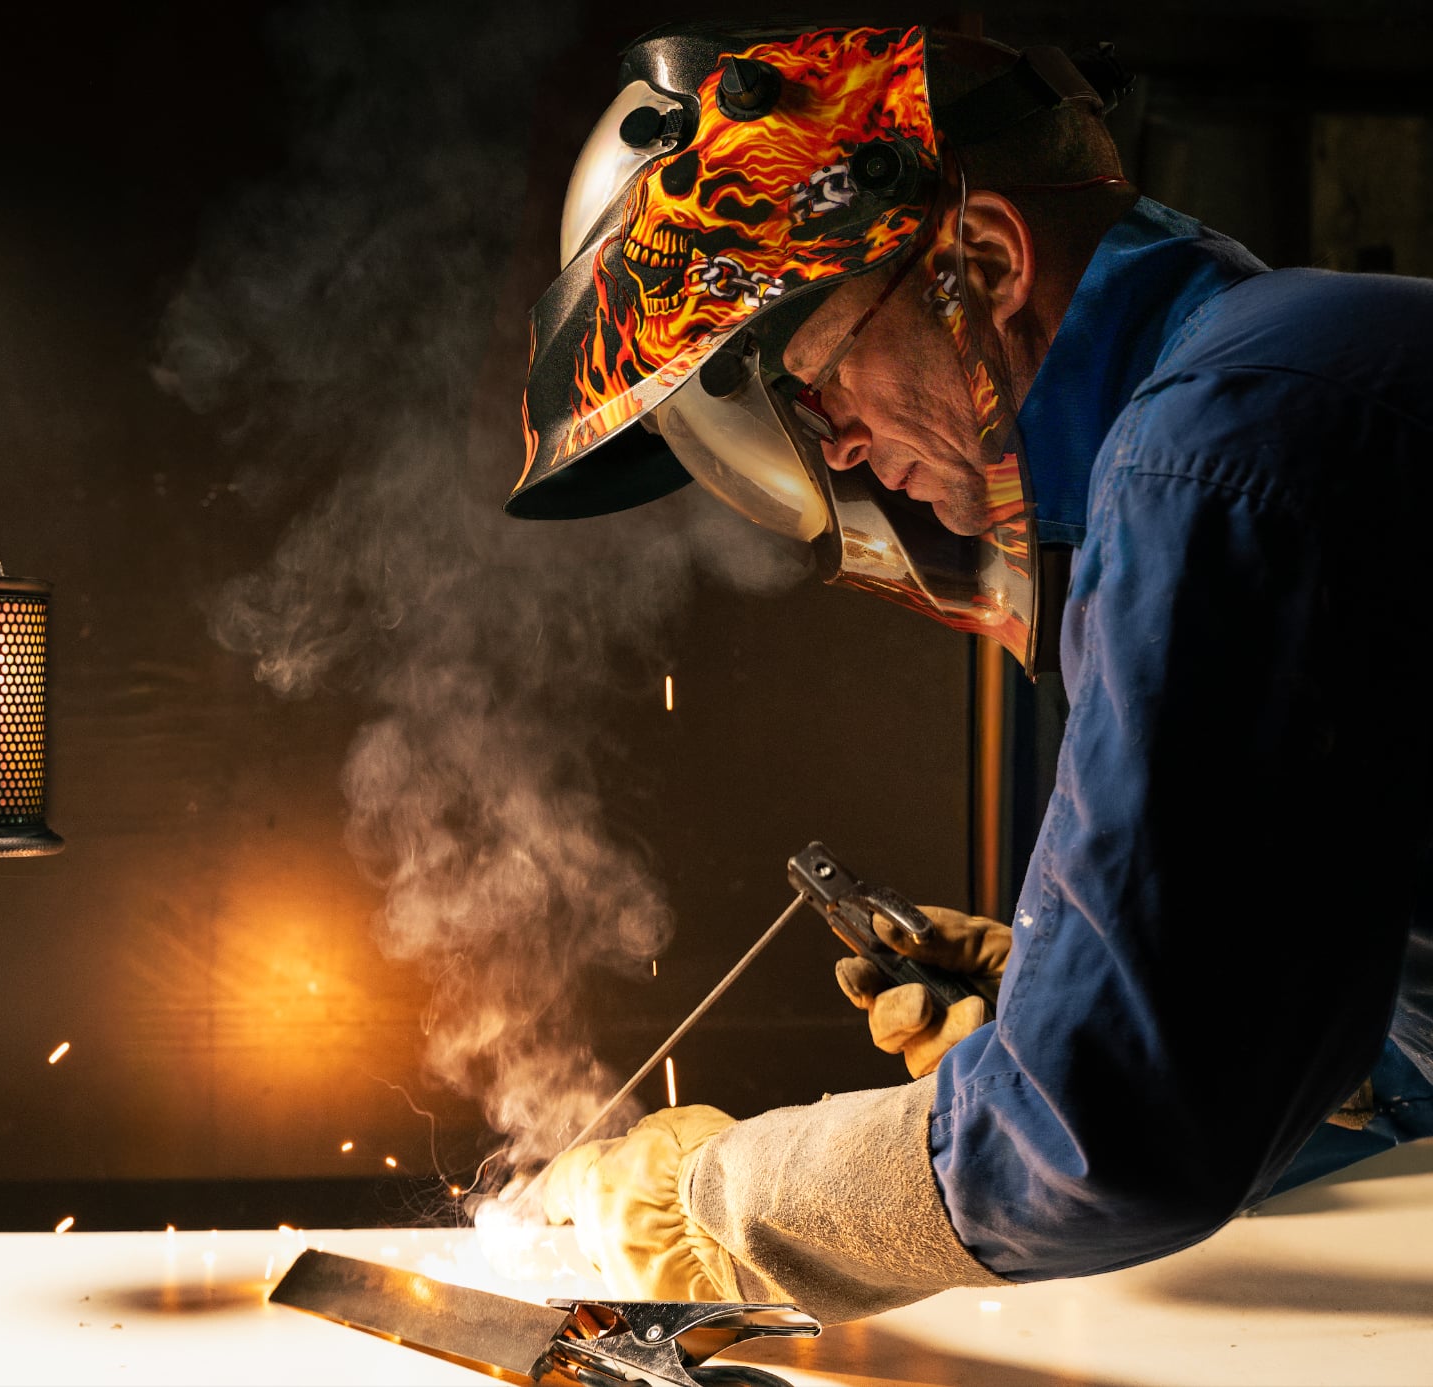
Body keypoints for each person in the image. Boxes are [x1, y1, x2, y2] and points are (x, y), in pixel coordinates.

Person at [507, 21, 1433, 1323]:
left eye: (818, 377)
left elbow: (1109, 1135)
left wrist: (707, 1203)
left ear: (985, 262)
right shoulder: (1300, 372)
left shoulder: (1216, 459)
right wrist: (1135, 987)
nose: (836, 448)